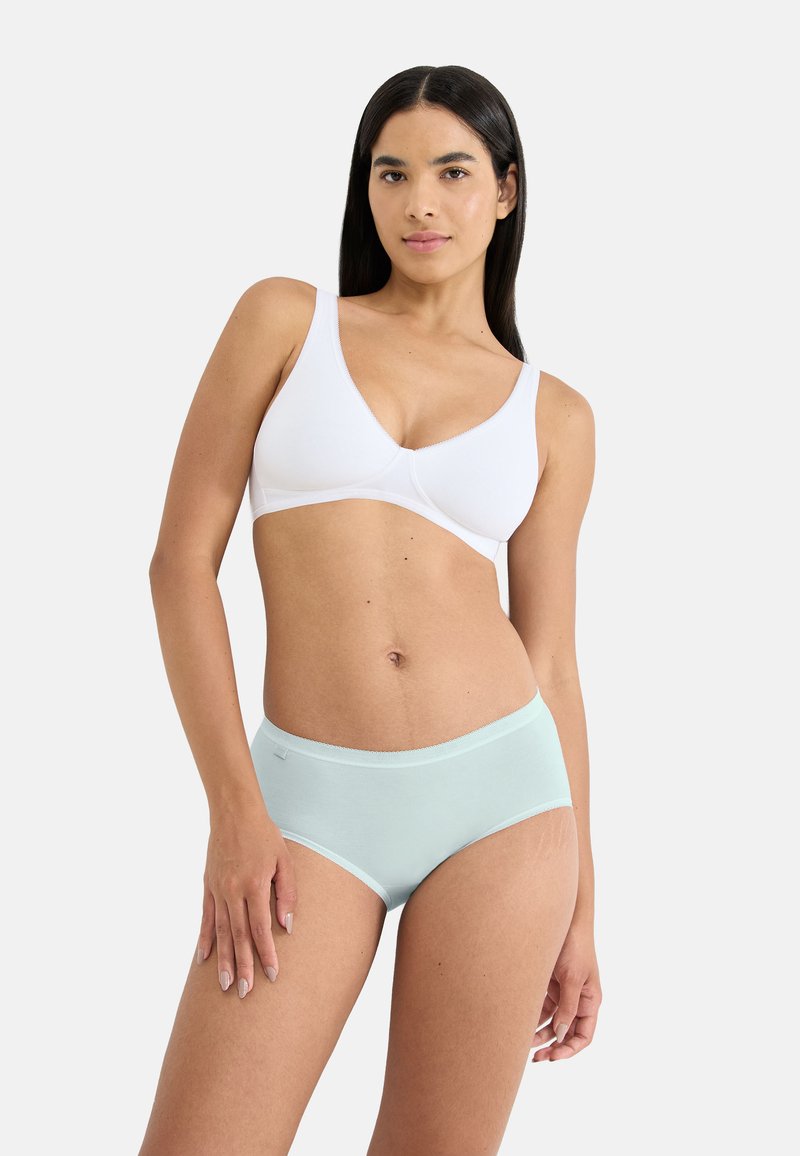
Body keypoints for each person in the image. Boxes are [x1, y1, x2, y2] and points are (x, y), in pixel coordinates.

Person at [139, 63, 600, 1156]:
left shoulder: (555, 415)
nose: (419, 202)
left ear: (506, 190)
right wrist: (235, 810)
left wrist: (582, 910)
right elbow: (179, 567)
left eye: (452, 172)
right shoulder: (284, 321)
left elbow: (551, 663)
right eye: (390, 174)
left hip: (501, 807)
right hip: (305, 805)